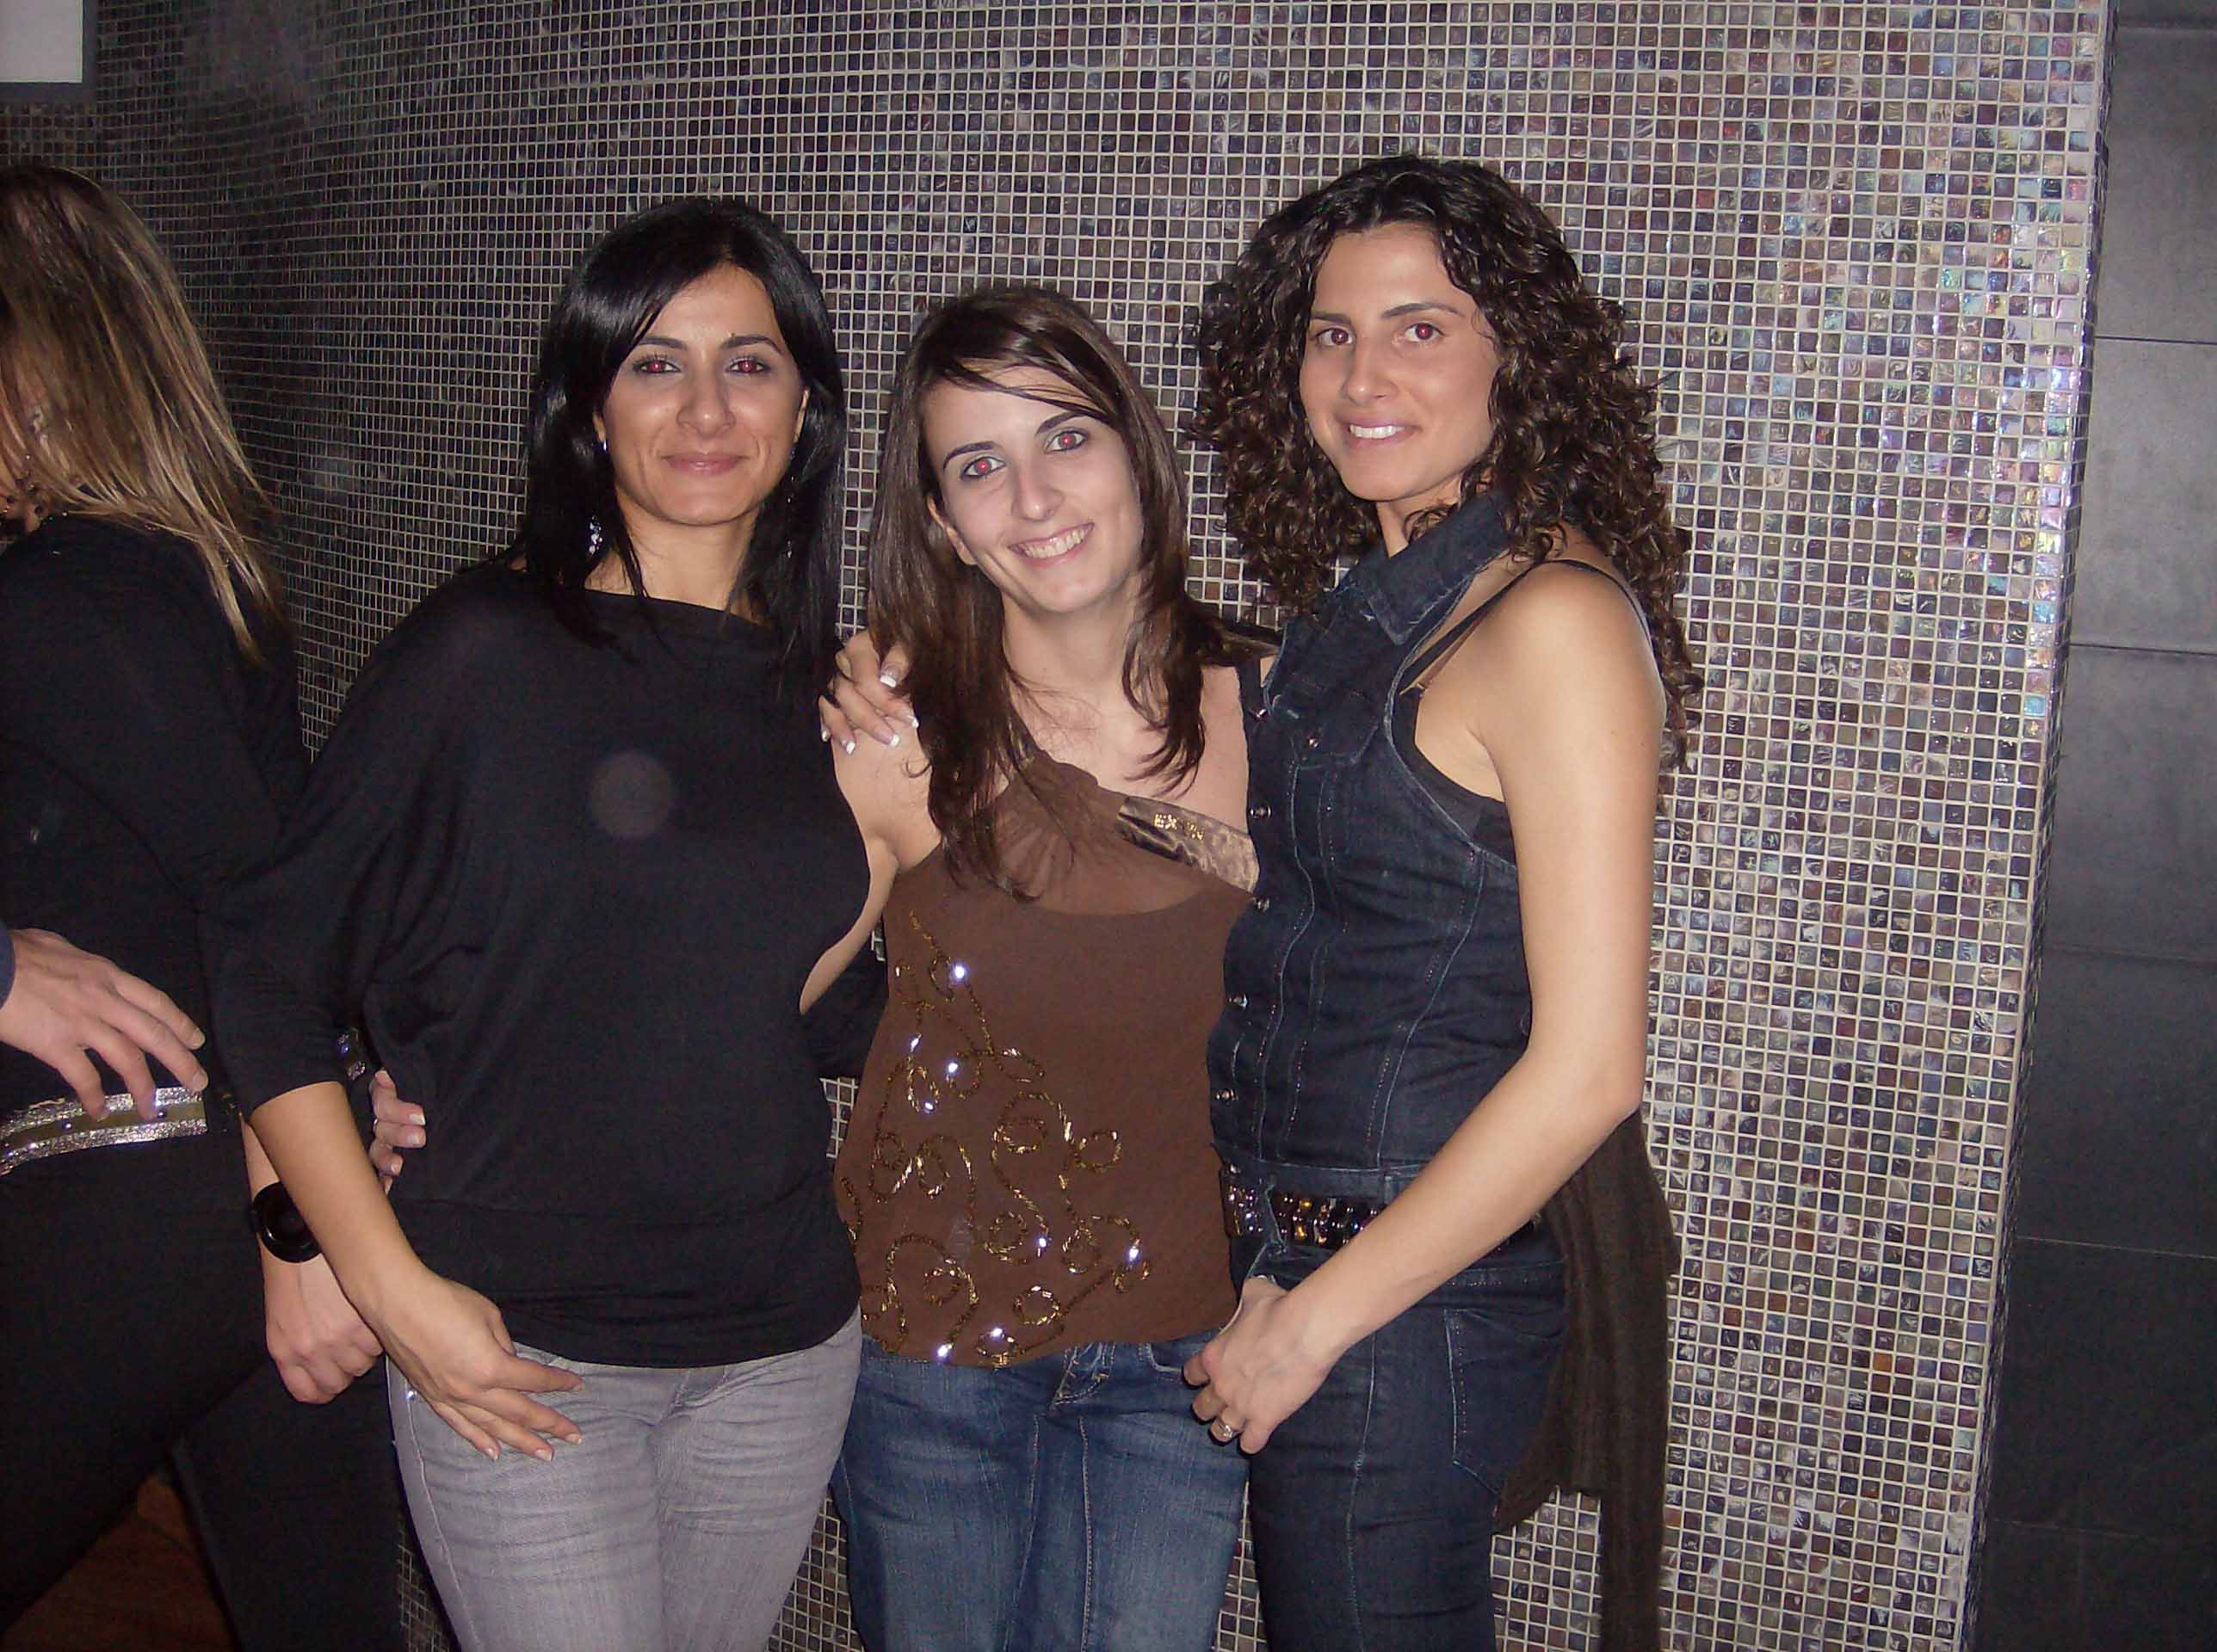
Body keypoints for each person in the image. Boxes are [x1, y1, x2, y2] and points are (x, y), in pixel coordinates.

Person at [385, 285, 1263, 1651]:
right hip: (935, 1361)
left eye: (1065, 438)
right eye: (979, 465)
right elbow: (725, 988)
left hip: (1185, 1353)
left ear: (1137, 452)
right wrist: (413, 1069)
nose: (1035, 497)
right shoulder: (895, 732)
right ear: (942, 521)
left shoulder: (1275, 706)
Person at [213, 196, 880, 1652]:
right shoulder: (486, 650)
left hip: (778, 1347)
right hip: (514, 1344)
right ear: (589, 408)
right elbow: (265, 962)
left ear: (807, 409)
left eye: (749, 365)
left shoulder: (822, 693)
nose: (705, 409)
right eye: (654, 364)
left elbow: (817, 1015)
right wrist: (372, 1278)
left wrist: (894, 839)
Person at [1178, 154, 1695, 1652]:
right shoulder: (1395, 599)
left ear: (1515, 356)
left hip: (1397, 1301)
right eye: (1330, 334)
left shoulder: (1553, 620)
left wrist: (1313, 1323)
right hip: (1314, 1261)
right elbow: (1355, 893)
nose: (1362, 378)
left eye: (1420, 328)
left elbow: (1592, 1069)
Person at [0, 162, 402, 1646]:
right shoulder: (191, 580)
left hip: (134, 1201)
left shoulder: (63, 597)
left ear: (47, 364)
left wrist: (303, 1230)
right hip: (220, 1189)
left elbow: (261, 921)